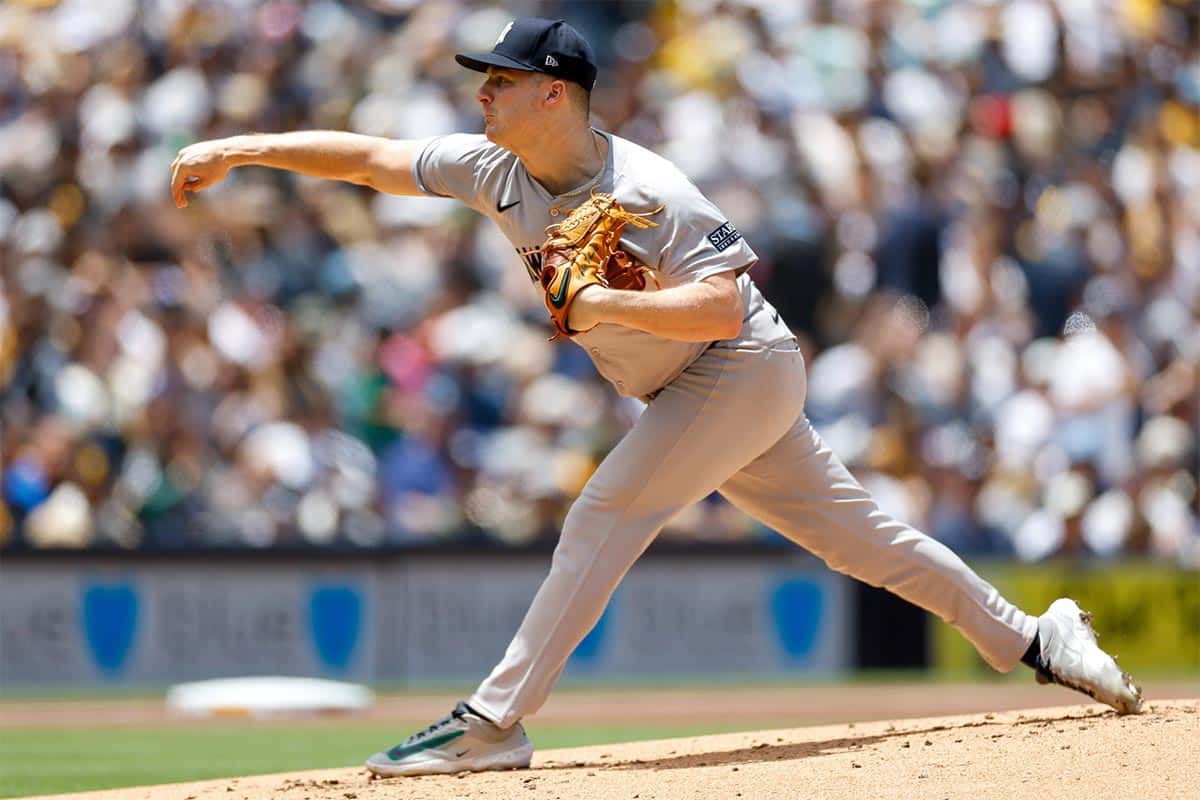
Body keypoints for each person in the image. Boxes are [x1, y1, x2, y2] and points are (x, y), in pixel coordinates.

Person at [171, 17, 1142, 778]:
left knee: (606, 508)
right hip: (689, 388)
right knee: (867, 542)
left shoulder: (649, 187)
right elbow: (373, 160)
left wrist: (591, 296)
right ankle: (1034, 636)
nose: (482, 92)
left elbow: (722, 307)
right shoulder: (494, 169)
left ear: (554, 95)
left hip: (744, 364)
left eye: (500, 81)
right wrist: (243, 146)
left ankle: (495, 718)